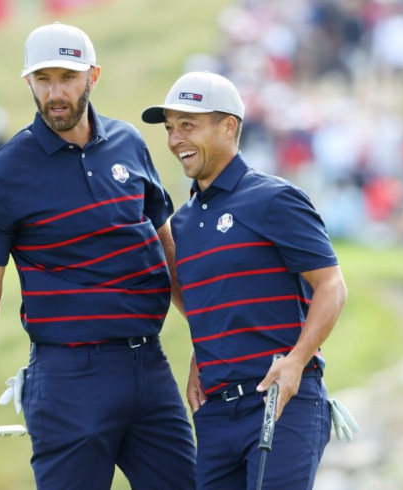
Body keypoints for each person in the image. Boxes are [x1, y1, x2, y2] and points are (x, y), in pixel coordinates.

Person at [0, 22, 196, 489]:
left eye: (68, 78)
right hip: (69, 378)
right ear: (28, 82)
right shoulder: (4, 171)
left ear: (93, 76)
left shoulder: (130, 144)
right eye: (44, 79)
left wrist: (208, 339)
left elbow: (166, 247)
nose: (56, 92)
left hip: (149, 368)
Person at [141, 71, 348, 489]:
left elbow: (332, 286)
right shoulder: (181, 222)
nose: (175, 139)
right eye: (169, 128)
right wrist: (207, 346)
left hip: (282, 401)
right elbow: (204, 295)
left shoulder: (273, 198)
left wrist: (296, 361)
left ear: (228, 127)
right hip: (216, 413)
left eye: (188, 125)